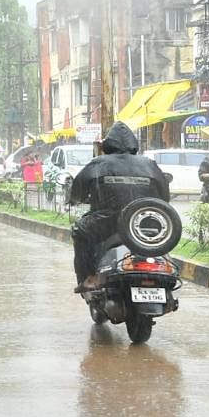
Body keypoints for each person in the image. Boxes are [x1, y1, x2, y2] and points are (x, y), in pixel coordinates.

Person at [70, 122, 171, 292]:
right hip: (144, 222)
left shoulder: (98, 163)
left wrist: (76, 199)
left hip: (106, 223)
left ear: (108, 144)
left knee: (79, 233)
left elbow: (77, 191)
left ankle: (90, 278)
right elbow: (164, 197)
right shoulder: (149, 164)